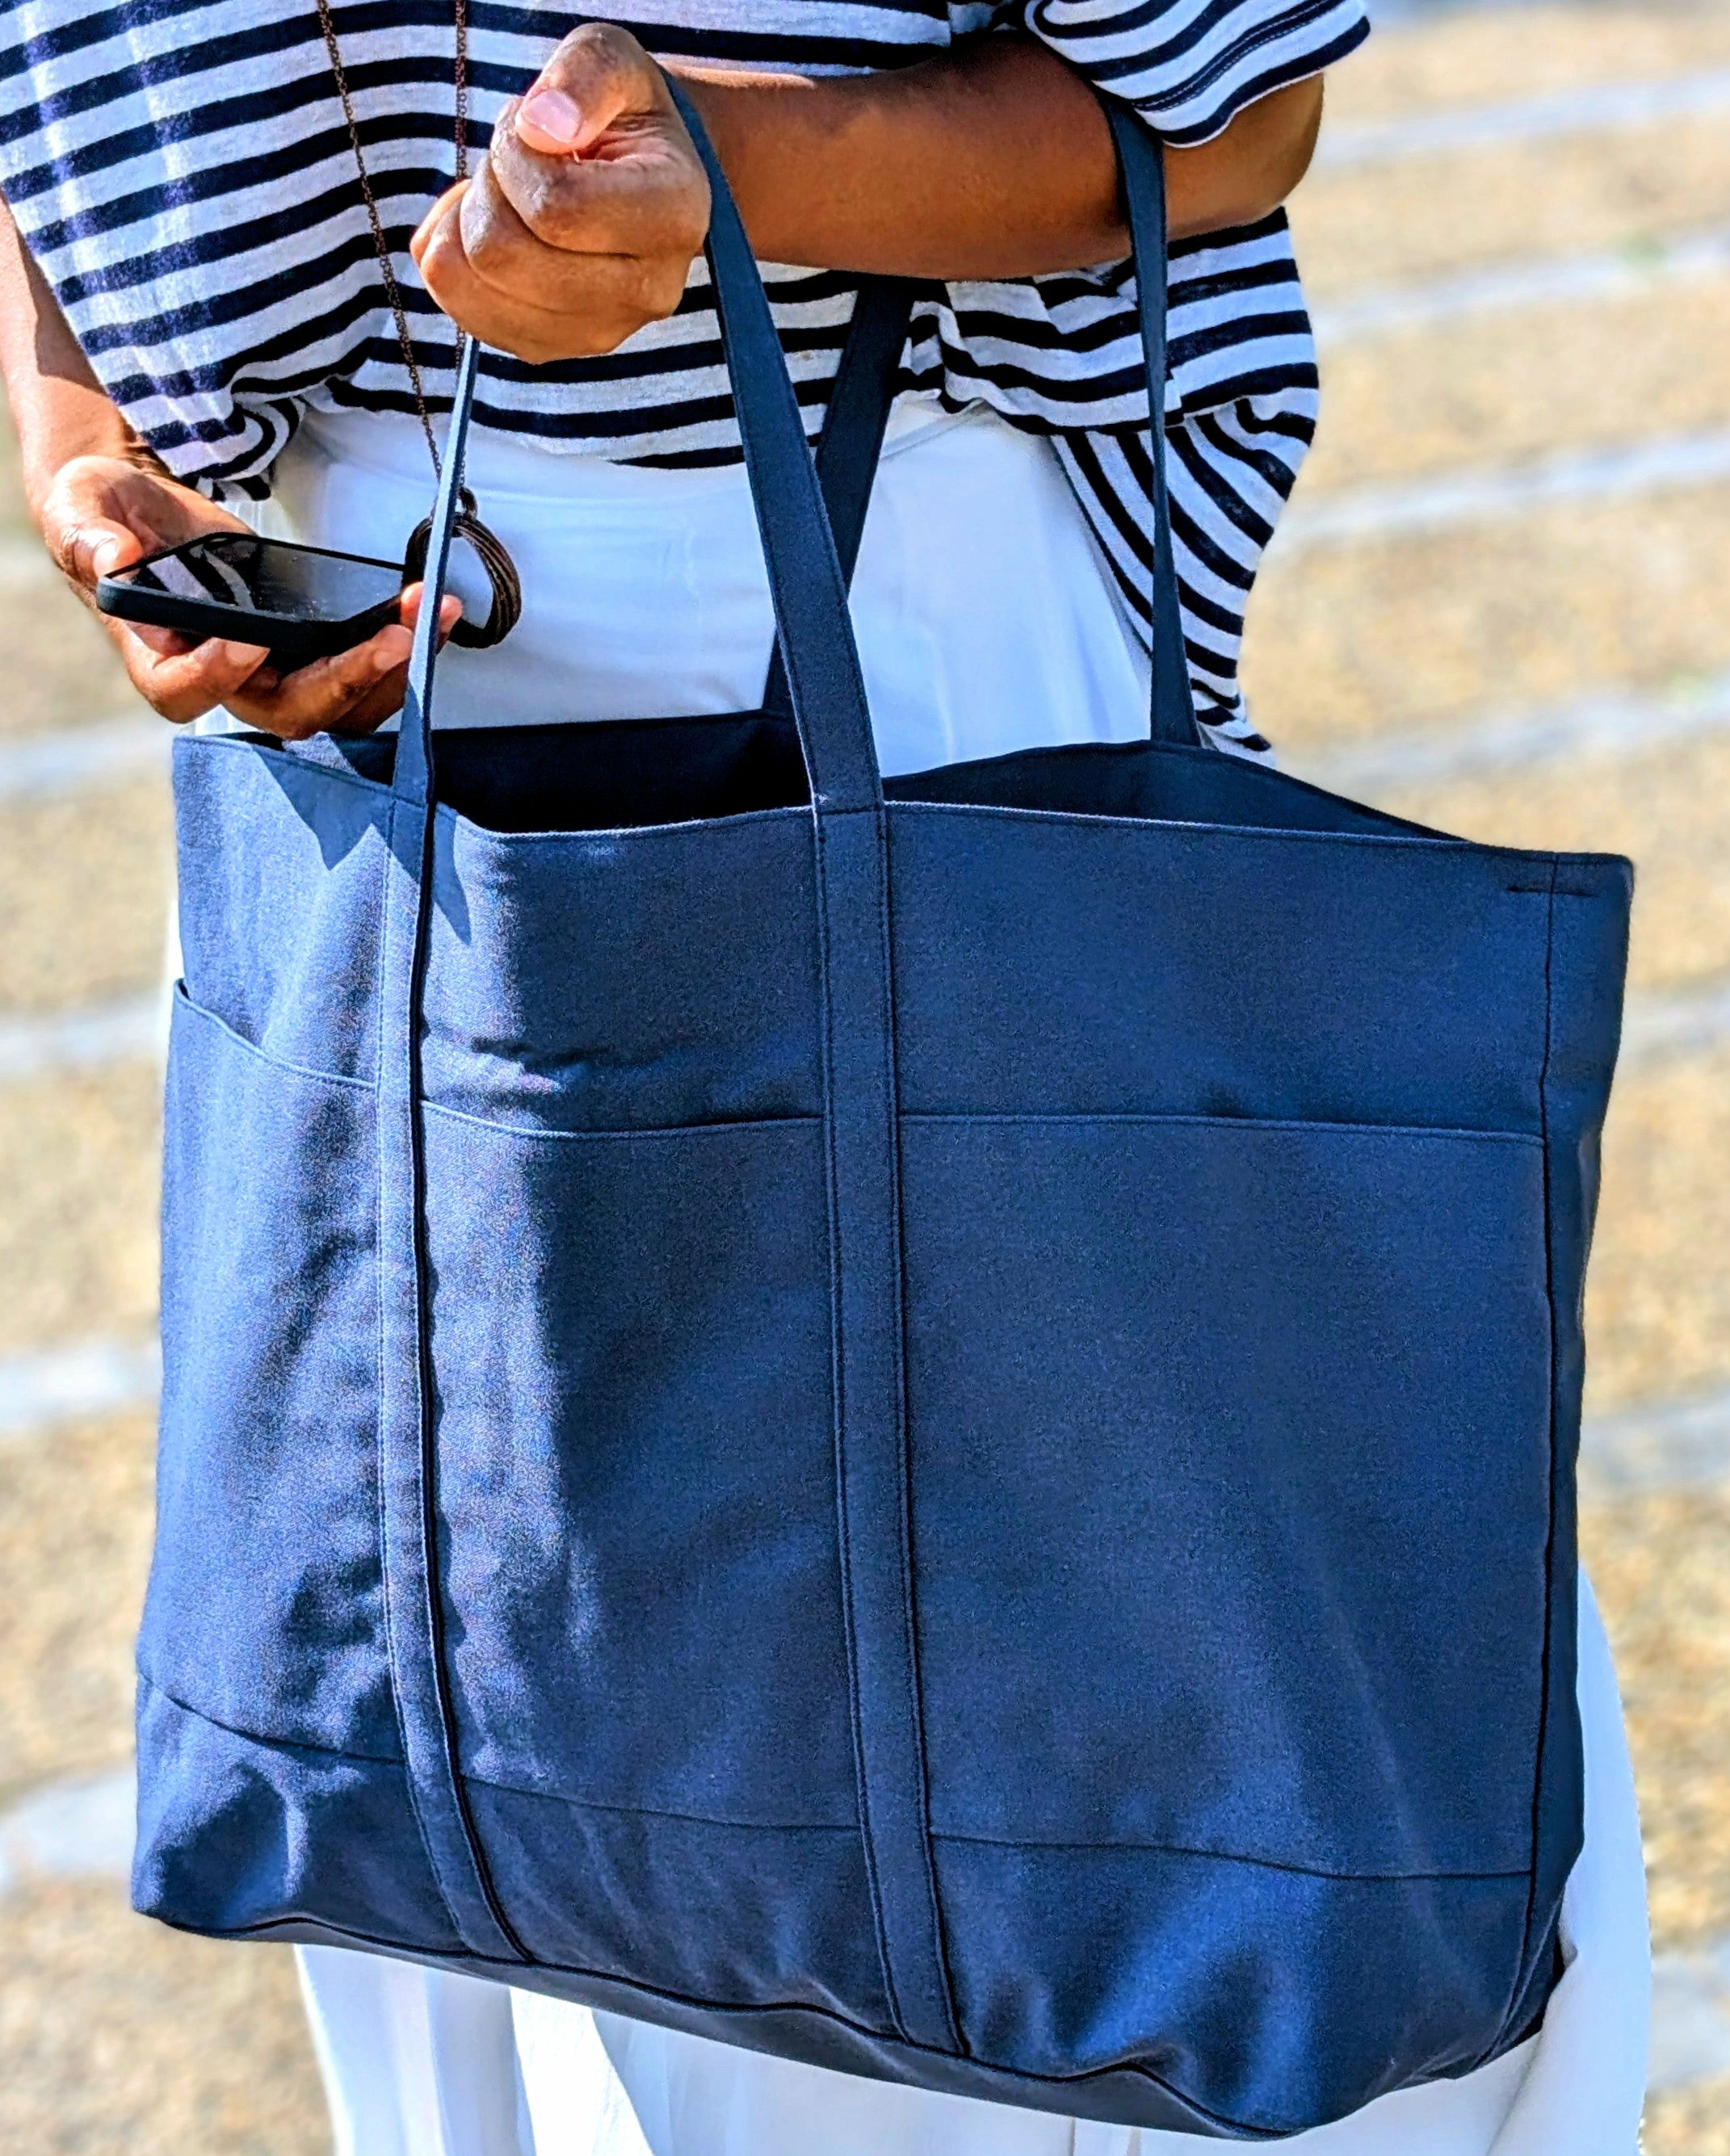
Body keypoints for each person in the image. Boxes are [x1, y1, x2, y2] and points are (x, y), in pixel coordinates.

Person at [0, 4, 1648, 2150]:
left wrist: (731, 162)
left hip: (891, 619)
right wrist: (76, 441)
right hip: (343, 653)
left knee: (1094, 1786)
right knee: (501, 1811)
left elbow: (1234, 110)